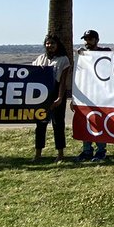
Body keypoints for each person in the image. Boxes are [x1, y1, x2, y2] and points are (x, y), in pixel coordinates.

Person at [33, 34, 71, 163]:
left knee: (58, 124)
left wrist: (60, 98)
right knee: (40, 125)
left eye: (52, 43)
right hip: (42, 95)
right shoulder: (40, 59)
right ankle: (38, 153)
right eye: (48, 43)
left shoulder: (63, 60)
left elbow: (63, 81)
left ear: (57, 45)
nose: (50, 46)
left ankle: (60, 154)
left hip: (56, 93)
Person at [76, 30, 111, 161]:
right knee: (86, 122)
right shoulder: (82, 56)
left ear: (96, 40)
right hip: (86, 95)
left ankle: (101, 151)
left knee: (99, 123)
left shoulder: (105, 52)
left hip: (100, 95)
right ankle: (86, 150)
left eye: (90, 39)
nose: (87, 42)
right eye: (85, 39)